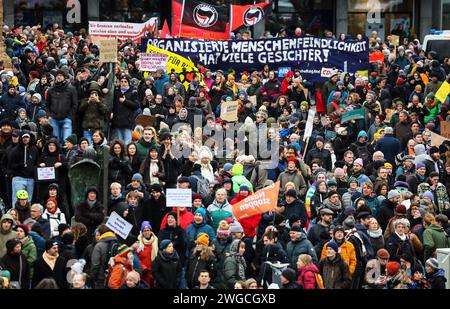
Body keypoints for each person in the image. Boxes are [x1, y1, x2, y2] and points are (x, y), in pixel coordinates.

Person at [46, 70, 78, 143]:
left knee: (66, 141)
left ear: (64, 77)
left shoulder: (71, 89)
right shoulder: (51, 90)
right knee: (55, 141)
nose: (59, 77)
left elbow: (75, 104)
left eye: (61, 75)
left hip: (66, 118)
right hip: (54, 119)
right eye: (57, 75)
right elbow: (47, 104)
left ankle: (67, 154)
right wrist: (49, 115)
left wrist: (70, 116)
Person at [136, 221, 158, 287]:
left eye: (148, 230)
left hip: (154, 272)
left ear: (151, 231)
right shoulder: (138, 244)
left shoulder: (156, 242)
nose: (146, 232)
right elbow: (136, 258)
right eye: (144, 230)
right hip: (144, 274)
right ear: (142, 232)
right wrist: (143, 268)